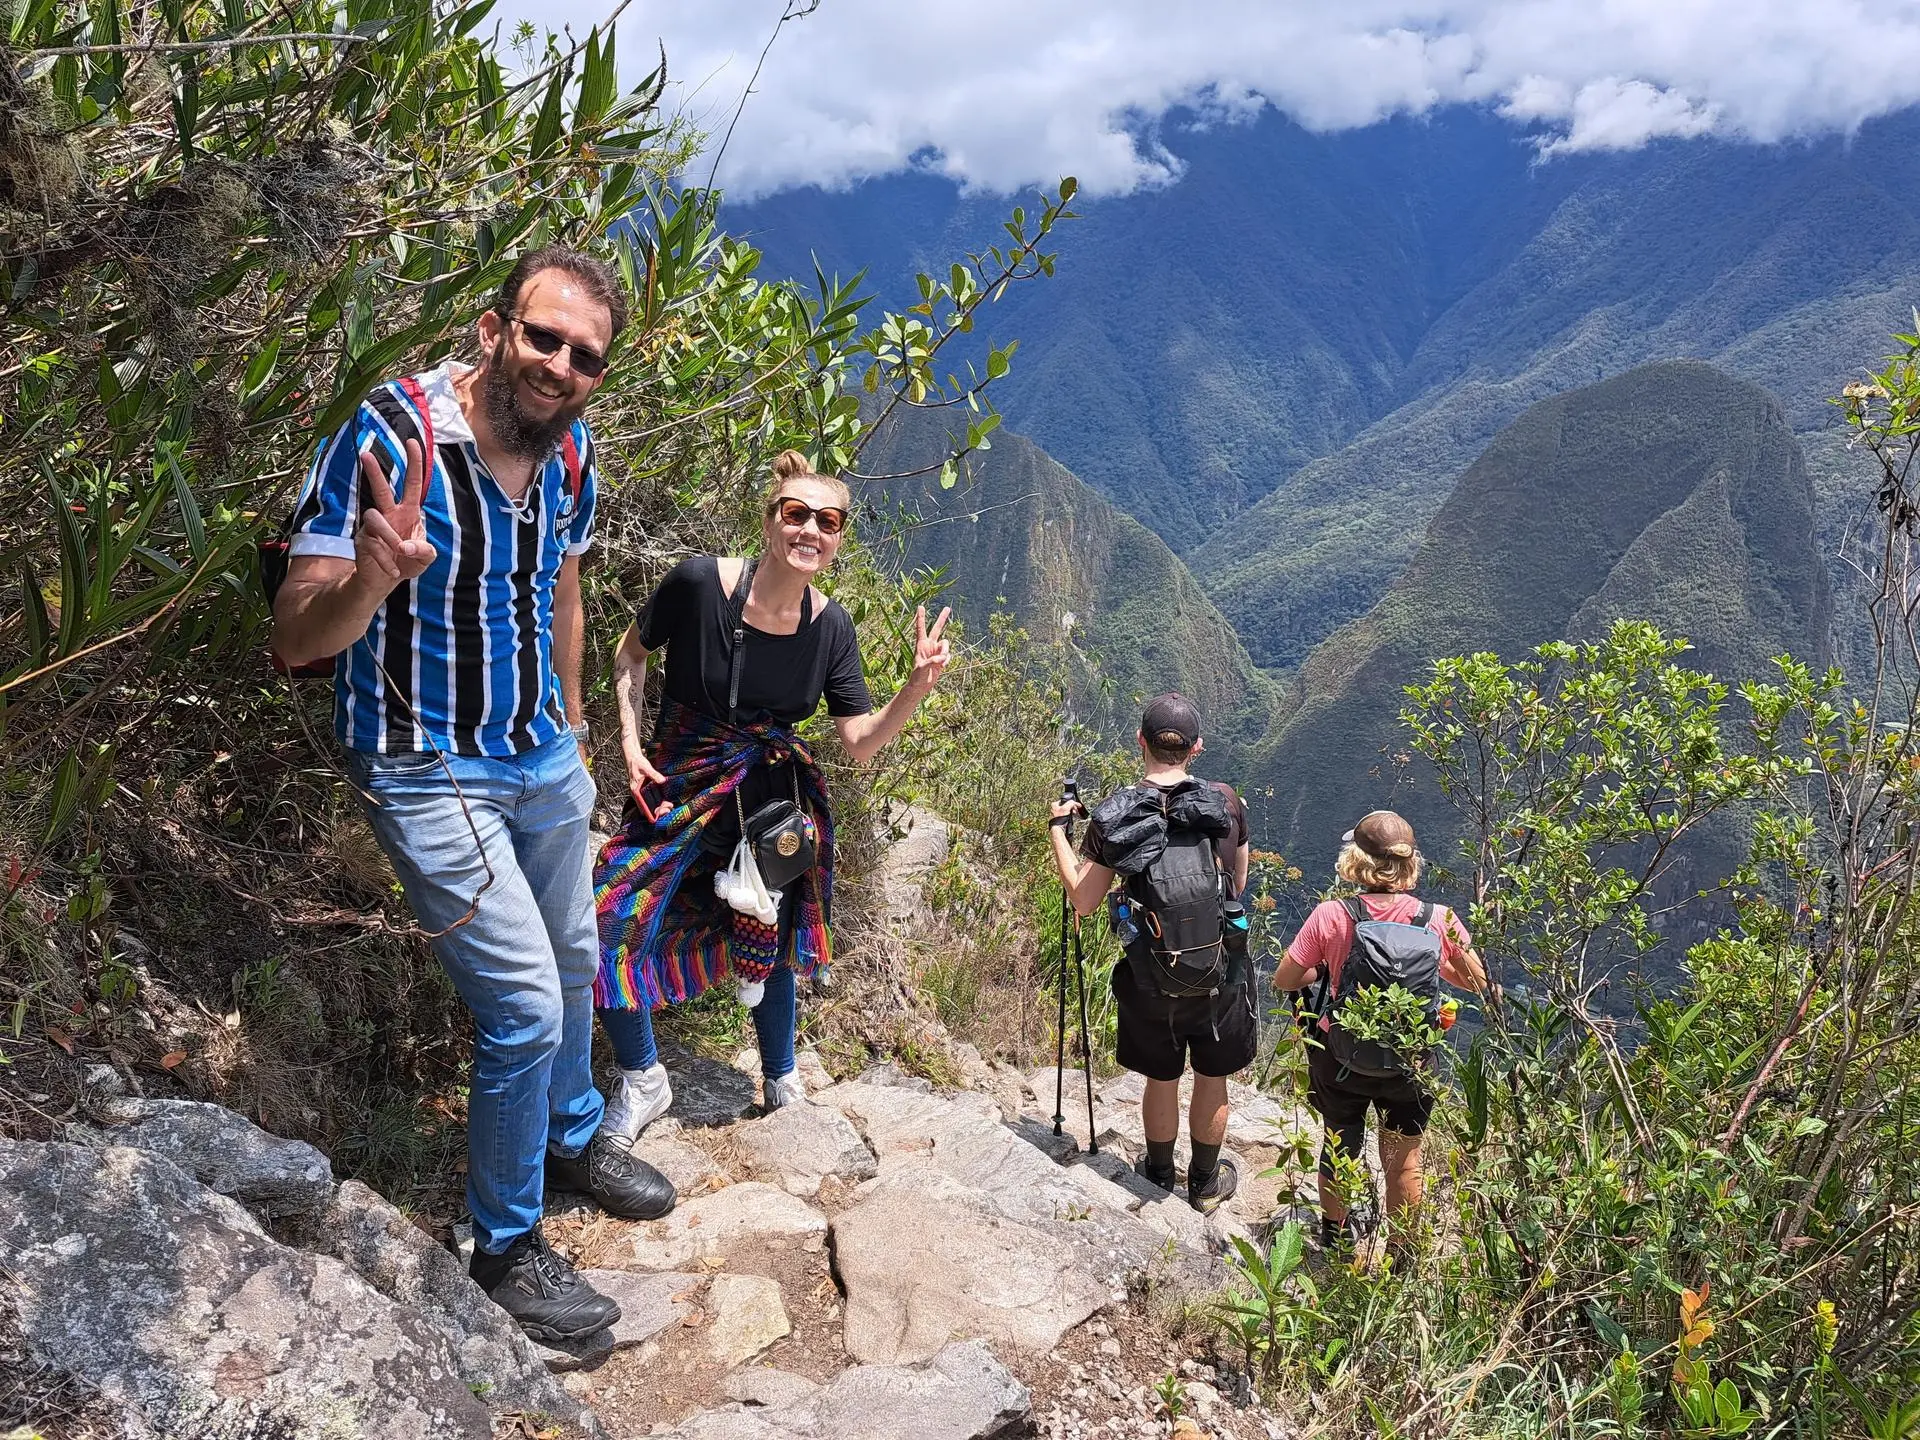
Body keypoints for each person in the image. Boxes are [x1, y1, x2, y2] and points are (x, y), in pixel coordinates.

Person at [270, 245, 673, 1344]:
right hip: (422, 760)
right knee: (527, 1005)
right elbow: (296, 635)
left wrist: (576, 731)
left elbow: (562, 589)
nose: (560, 365)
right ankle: (503, 1245)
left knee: (578, 957)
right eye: (543, 338)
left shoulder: (570, 451)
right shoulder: (389, 436)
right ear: (494, 331)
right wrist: (373, 577)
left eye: (584, 355)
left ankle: (572, 1135)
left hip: (538, 750)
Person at [593, 451, 952, 1133]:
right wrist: (631, 745)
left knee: (772, 933)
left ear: (839, 537)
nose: (810, 529)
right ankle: (643, 1078)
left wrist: (915, 686)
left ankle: (782, 1079)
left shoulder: (831, 627)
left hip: (767, 802)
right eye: (796, 514)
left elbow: (859, 739)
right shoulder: (699, 584)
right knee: (607, 920)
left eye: (828, 521)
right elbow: (630, 654)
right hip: (677, 787)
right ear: (769, 521)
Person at [1047, 693, 1254, 1214]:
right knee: (1212, 1076)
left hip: (1152, 973)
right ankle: (1205, 1184)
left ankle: (1158, 1176)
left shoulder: (1117, 815)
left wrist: (1059, 832)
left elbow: (1083, 899)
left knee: (1162, 1076)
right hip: (1219, 968)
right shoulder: (1226, 804)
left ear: (1140, 741)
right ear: (1196, 748)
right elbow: (1238, 884)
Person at [1271, 809, 1490, 1252]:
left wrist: (1323, 970)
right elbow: (1477, 982)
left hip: (1341, 1058)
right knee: (1404, 1160)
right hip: (1411, 1062)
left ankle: (1336, 1240)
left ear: (1357, 860)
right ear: (1411, 863)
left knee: (1340, 1147)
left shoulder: (1332, 915)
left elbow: (1285, 979)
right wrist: (1434, 963)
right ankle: (1401, 1253)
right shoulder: (1439, 918)